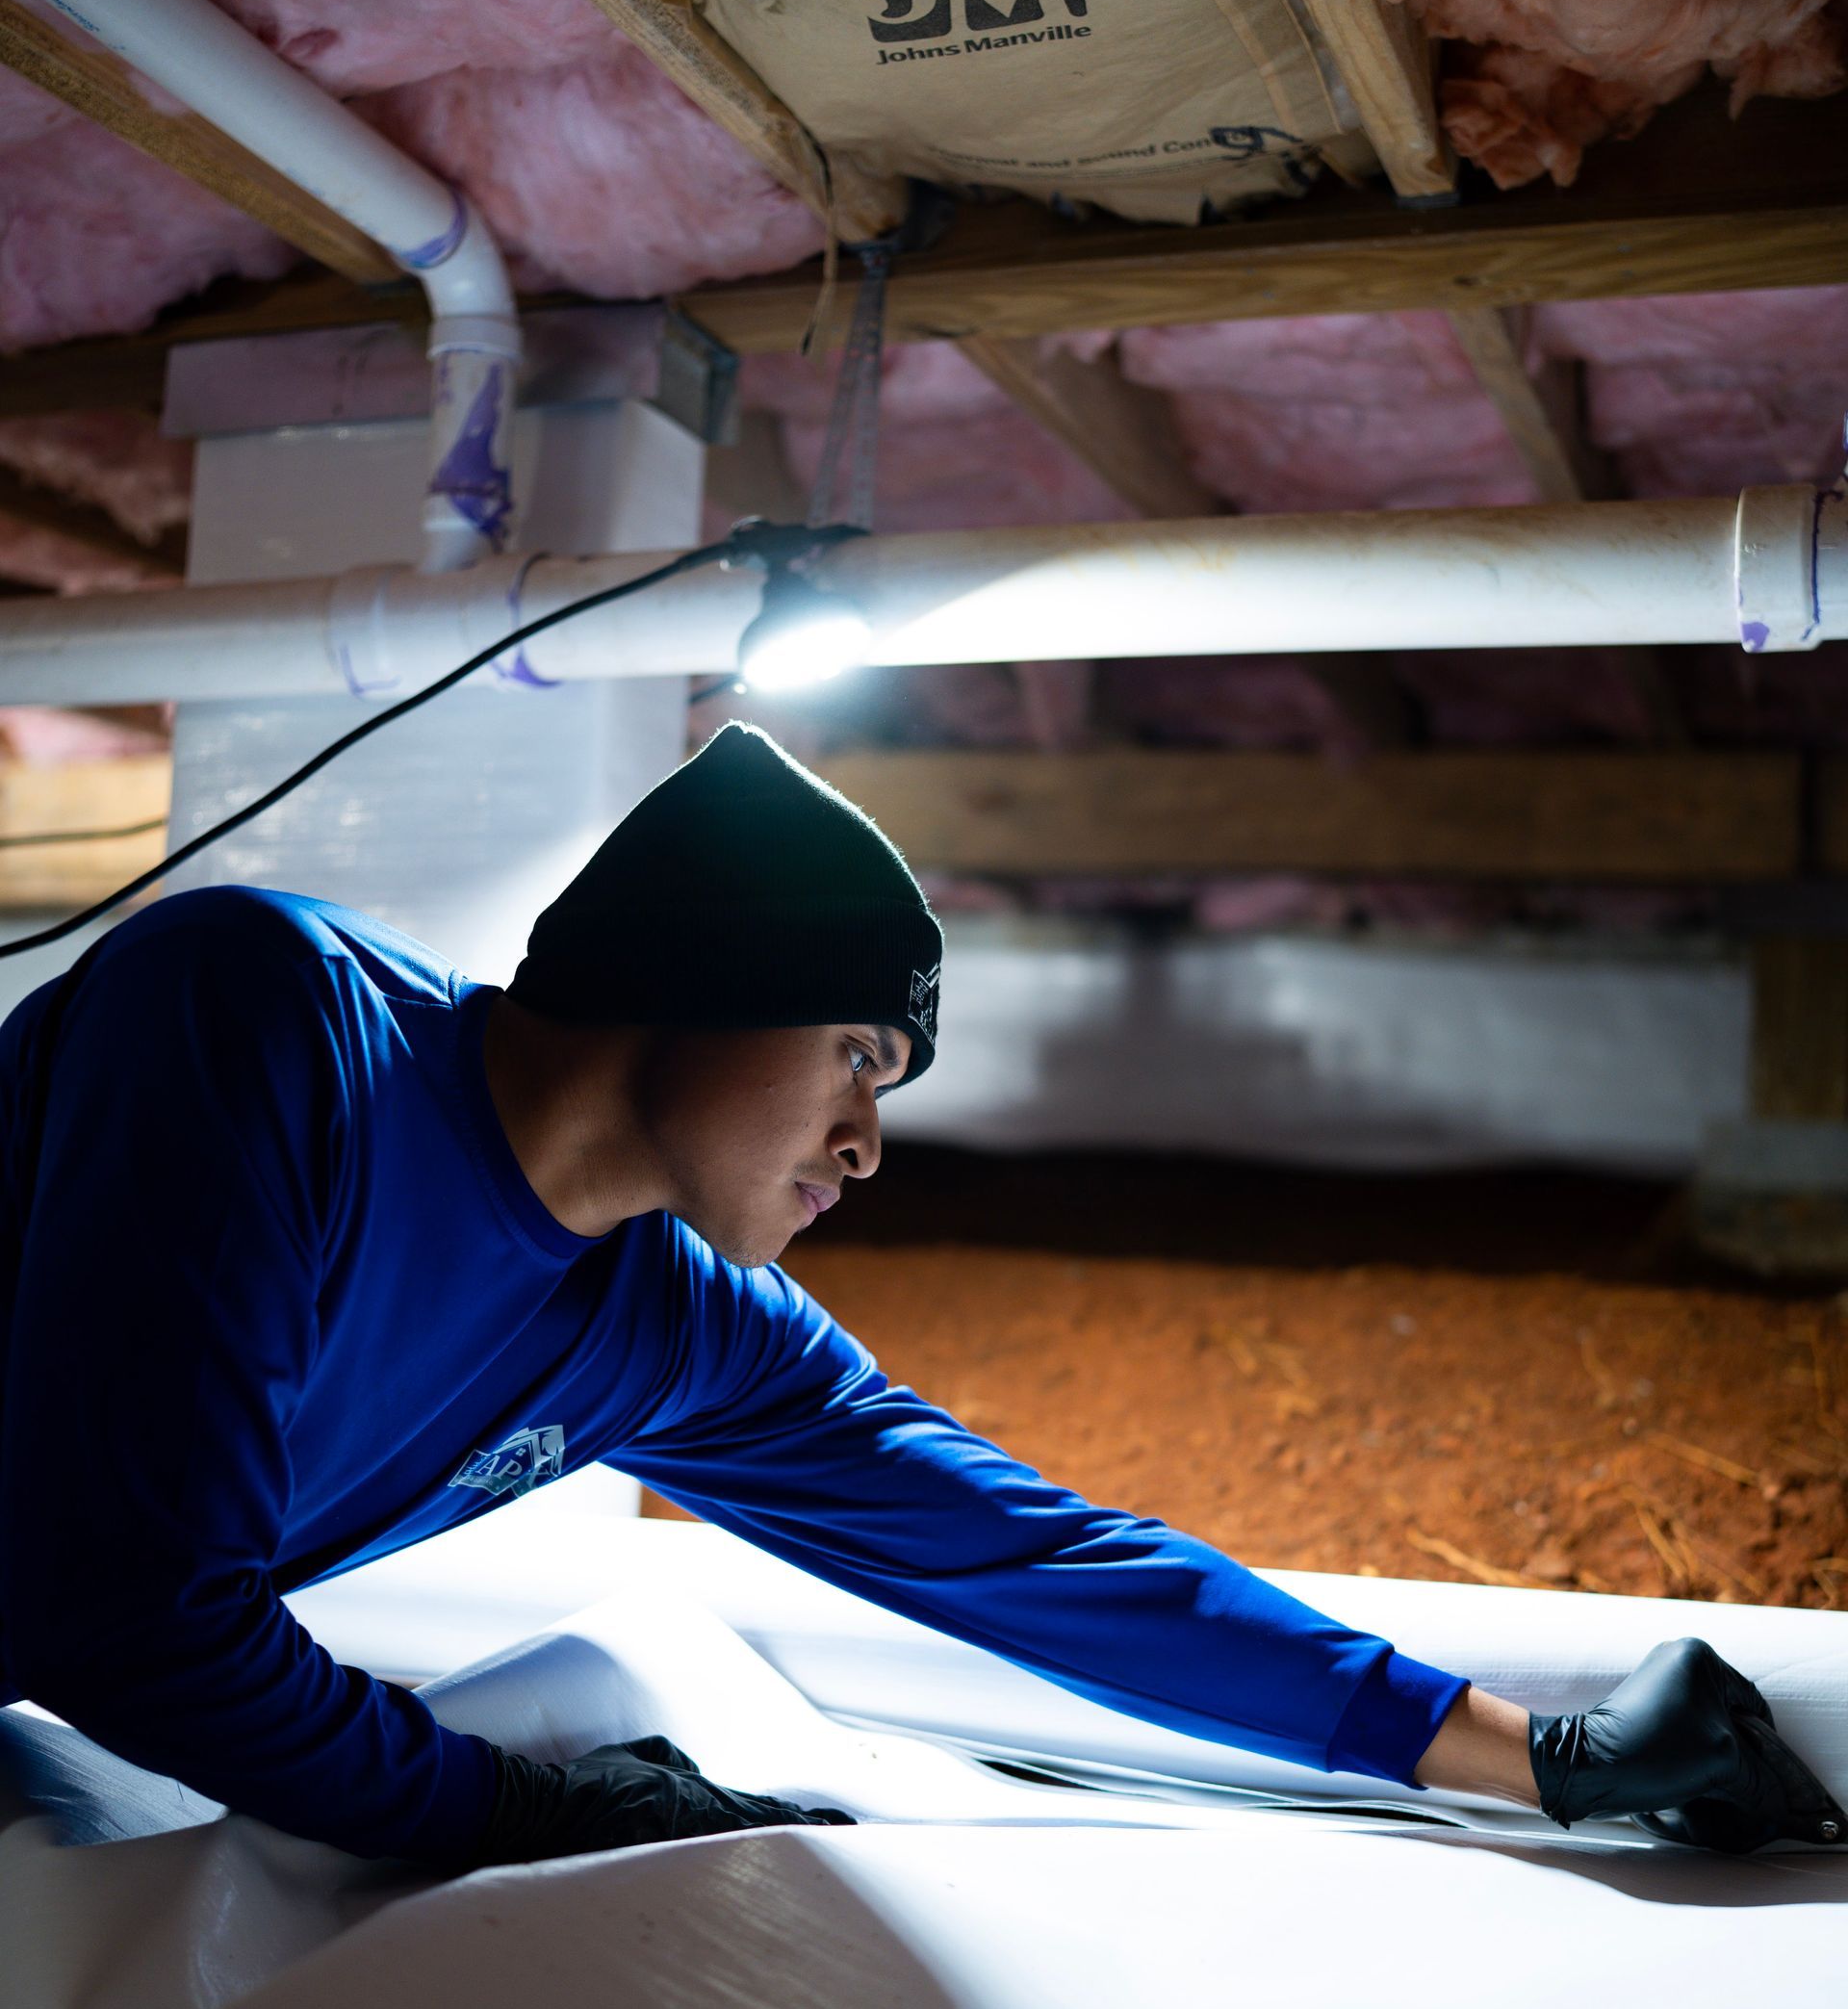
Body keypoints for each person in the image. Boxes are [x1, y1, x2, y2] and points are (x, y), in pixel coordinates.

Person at [0, 724, 1835, 1869]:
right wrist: (505, 1808)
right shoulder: (263, 1020)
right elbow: (135, 1613)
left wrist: (1545, 1756)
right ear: (712, 977)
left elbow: (1038, 1556)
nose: (868, 1142)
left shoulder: (674, 1326)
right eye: (863, 1057)